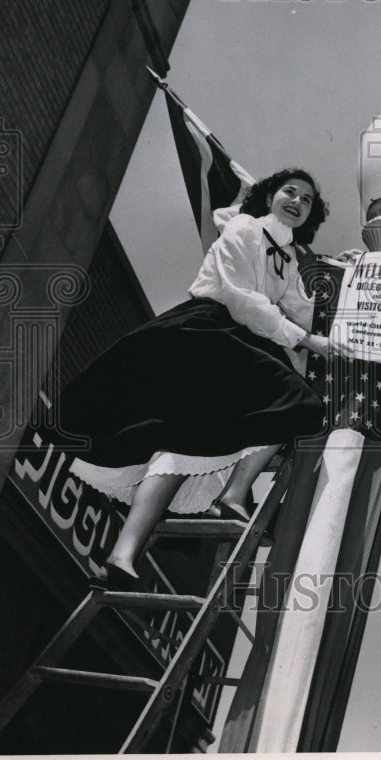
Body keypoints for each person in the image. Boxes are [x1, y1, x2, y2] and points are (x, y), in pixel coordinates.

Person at [63, 168, 347, 590]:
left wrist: (349, 273)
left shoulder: (287, 260)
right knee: (296, 401)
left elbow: (302, 309)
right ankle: (232, 497)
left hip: (236, 344)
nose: (297, 201)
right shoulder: (243, 229)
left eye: (306, 200)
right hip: (205, 332)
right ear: (269, 196)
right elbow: (240, 298)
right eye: (290, 191)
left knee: (184, 446)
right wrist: (305, 339)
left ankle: (121, 559)